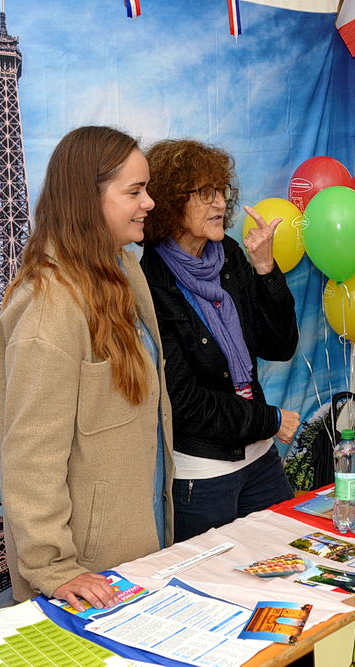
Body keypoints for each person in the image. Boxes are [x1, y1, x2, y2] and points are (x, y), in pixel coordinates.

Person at [0, 126, 172, 612]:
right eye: (134, 192)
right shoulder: (50, 307)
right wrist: (54, 568)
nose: (149, 203)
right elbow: (32, 455)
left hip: (137, 553)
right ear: (87, 200)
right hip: (88, 579)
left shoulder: (124, 273)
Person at [140, 139, 299, 542]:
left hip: (260, 458)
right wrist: (269, 420)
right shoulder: (152, 283)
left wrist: (266, 269)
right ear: (172, 202)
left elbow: (279, 346)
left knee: (291, 558)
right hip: (204, 476)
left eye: (221, 191)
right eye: (205, 193)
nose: (220, 203)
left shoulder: (228, 254)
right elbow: (185, 403)